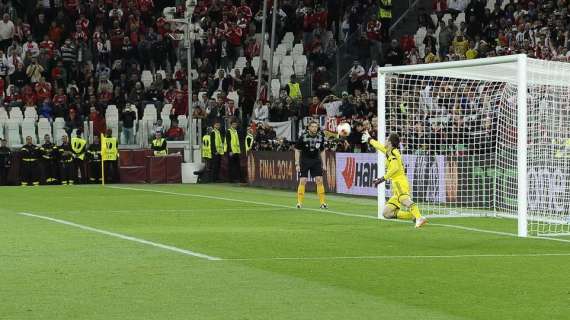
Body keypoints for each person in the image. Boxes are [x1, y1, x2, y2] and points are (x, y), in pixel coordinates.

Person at [362, 131, 427, 228]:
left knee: (405, 201)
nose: (385, 140)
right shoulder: (389, 151)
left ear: (390, 143)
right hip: (396, 185)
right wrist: (369, 139)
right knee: (386, 213)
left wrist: (382, 179)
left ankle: (419, 217)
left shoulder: (393, 153)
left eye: (387, 139)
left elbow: (395, 168)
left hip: (400, 182)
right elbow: (379, 146)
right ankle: (414, 216)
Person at [294, 121, 327, 209]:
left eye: (316, 126)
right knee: (303, 181)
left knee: (319, 180)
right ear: (309, 128)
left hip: (316, 160)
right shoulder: (303, 137)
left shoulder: (321, 137)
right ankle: (299, 203)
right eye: (312, 126)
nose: (314, 128)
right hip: (305, 161)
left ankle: (323, 203)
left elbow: (322, 150)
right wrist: (297, 163)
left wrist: (324, 163)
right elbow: (297, 150)